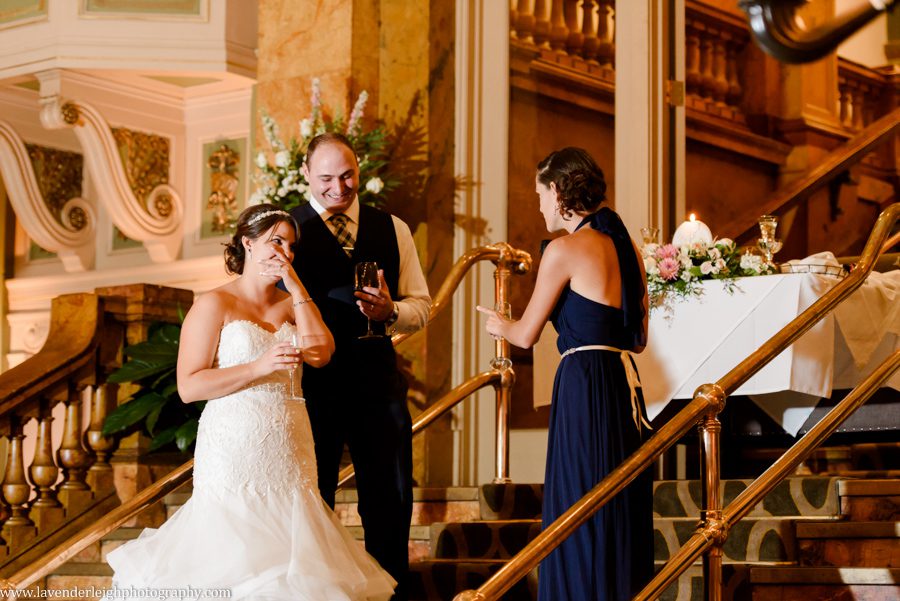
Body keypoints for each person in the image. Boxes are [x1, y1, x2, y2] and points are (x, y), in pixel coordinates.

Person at [104, 204, 396, 601]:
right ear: (248, 243)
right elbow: (189, 386)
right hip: (235, 444)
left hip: (292, 443)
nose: (285, 253)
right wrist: (258, 366)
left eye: (291, 246)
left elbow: (321, 354)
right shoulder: (214, 304)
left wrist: (297, 290)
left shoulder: (293, 302)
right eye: (276, 241)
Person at [477, 148, 654, 600]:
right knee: (614, 499)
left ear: (558, 193)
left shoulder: (564, 249)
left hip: (582, 383)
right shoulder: (627, 246)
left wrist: (499, 322)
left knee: (578, 500)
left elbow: (525, 335)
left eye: (540, 194)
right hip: (619, 381)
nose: (538, 205)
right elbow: (640, 338)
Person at [289, 132, 431, 601]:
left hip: (377, 382)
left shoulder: (393, 228)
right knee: (315, 496)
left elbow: (422, 306)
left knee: (389, 498)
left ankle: (391, 591)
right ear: (306, 174)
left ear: (359, 170)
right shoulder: (286, 229)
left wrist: (391, 312)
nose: (338, 187)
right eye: (326, 177)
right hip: (312, 385)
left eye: (347, 175)